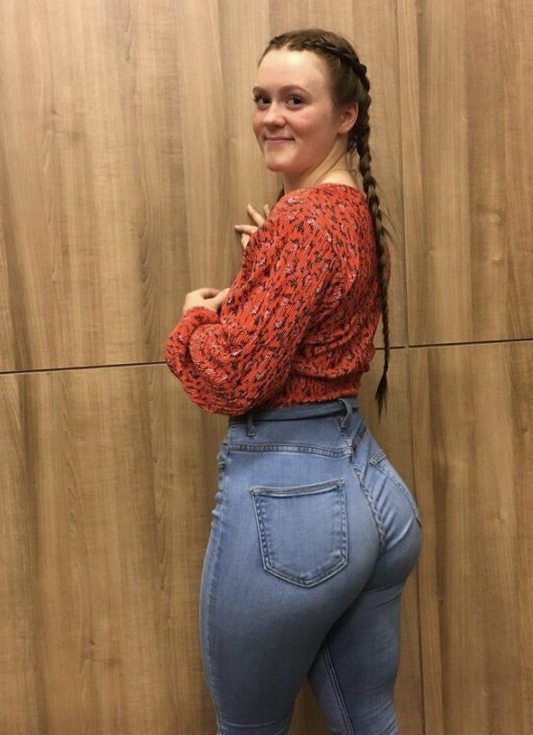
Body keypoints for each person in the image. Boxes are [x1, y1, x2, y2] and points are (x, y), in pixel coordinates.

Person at [164, 28, 422, 735]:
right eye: (261, 99)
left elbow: (233, 378)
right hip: (371, 489)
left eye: (294, 100)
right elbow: (319, 315)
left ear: (345, 116)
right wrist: (267, 265)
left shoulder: (304, 219)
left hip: (295, 501)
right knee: (367, 719)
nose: (271, 116)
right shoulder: (343, 206)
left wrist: (191, 321)